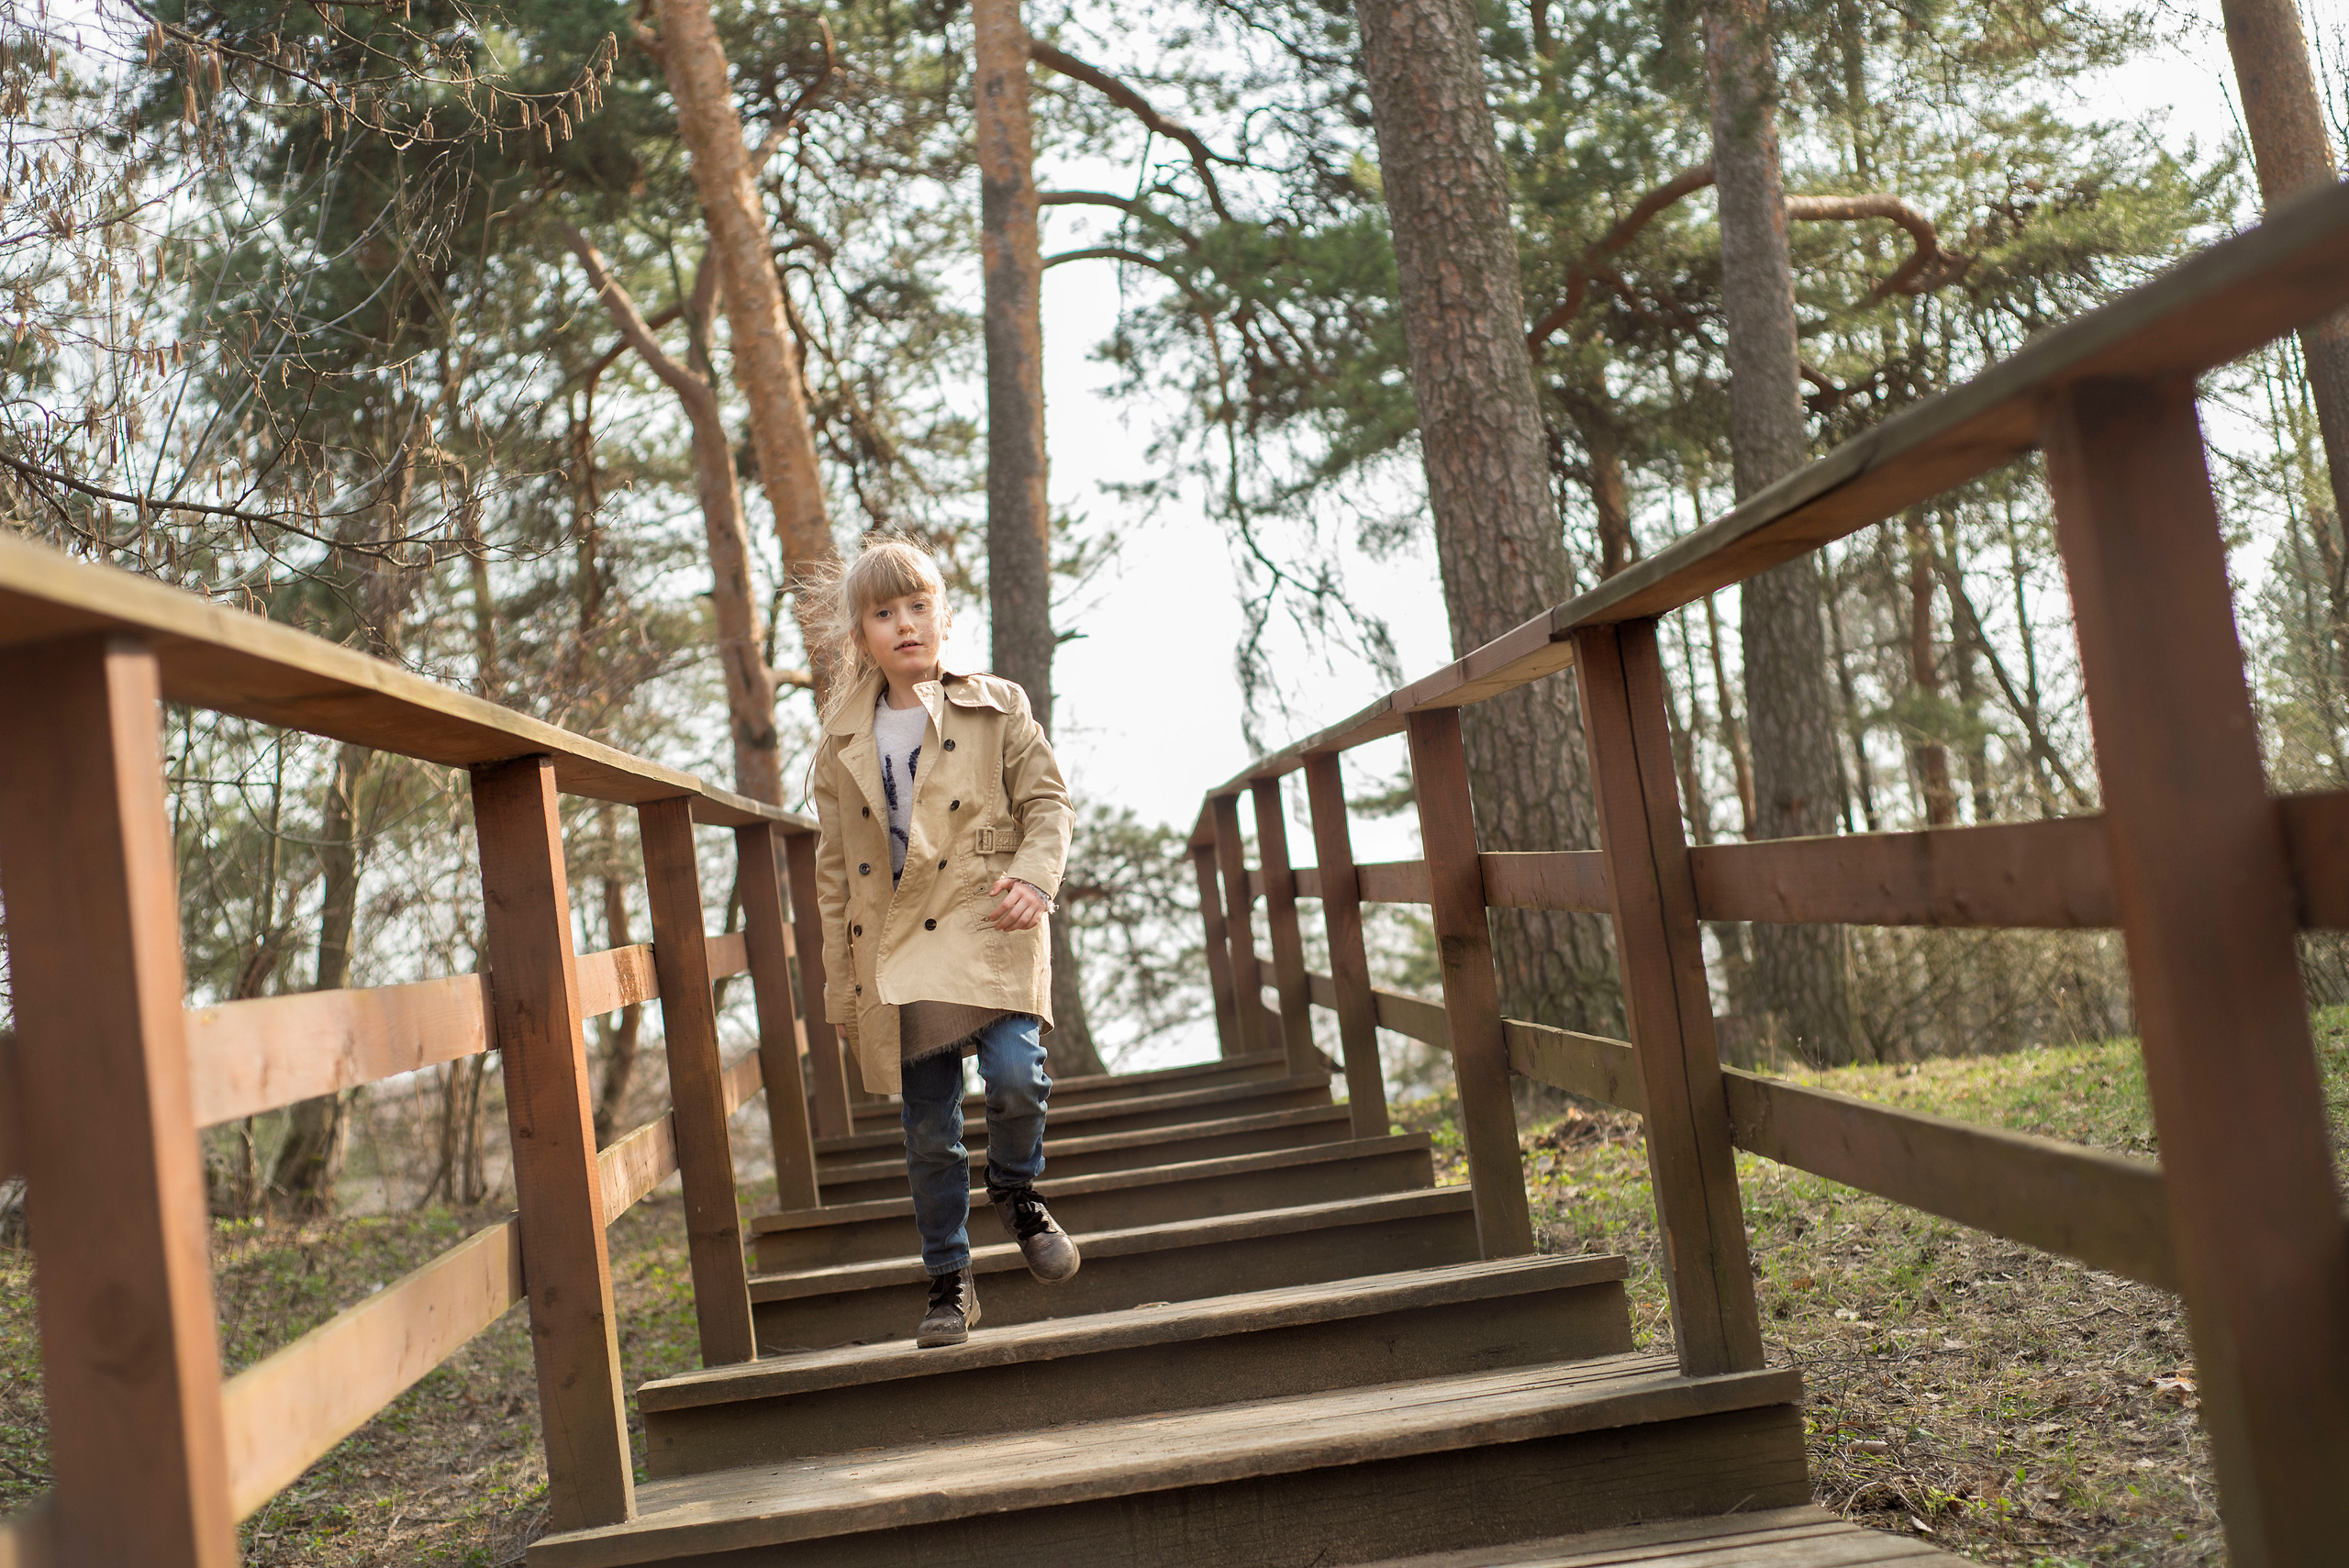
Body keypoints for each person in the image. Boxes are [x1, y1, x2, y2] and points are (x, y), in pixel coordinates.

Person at [807, 536, 1081, 1348]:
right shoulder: (840, 745)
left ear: (945, 616)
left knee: (1015, 1076)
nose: (905, 624)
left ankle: (1017, 1188)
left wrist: (1037, 878)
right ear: (862, 638)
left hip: (988, 918)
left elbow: (1050, 803)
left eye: (919, 606)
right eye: (884, 613)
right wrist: (840, 989)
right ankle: (947, 1279)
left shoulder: (1000, 704)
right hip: (895, 949)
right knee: (928, 1130)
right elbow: (832, 877)